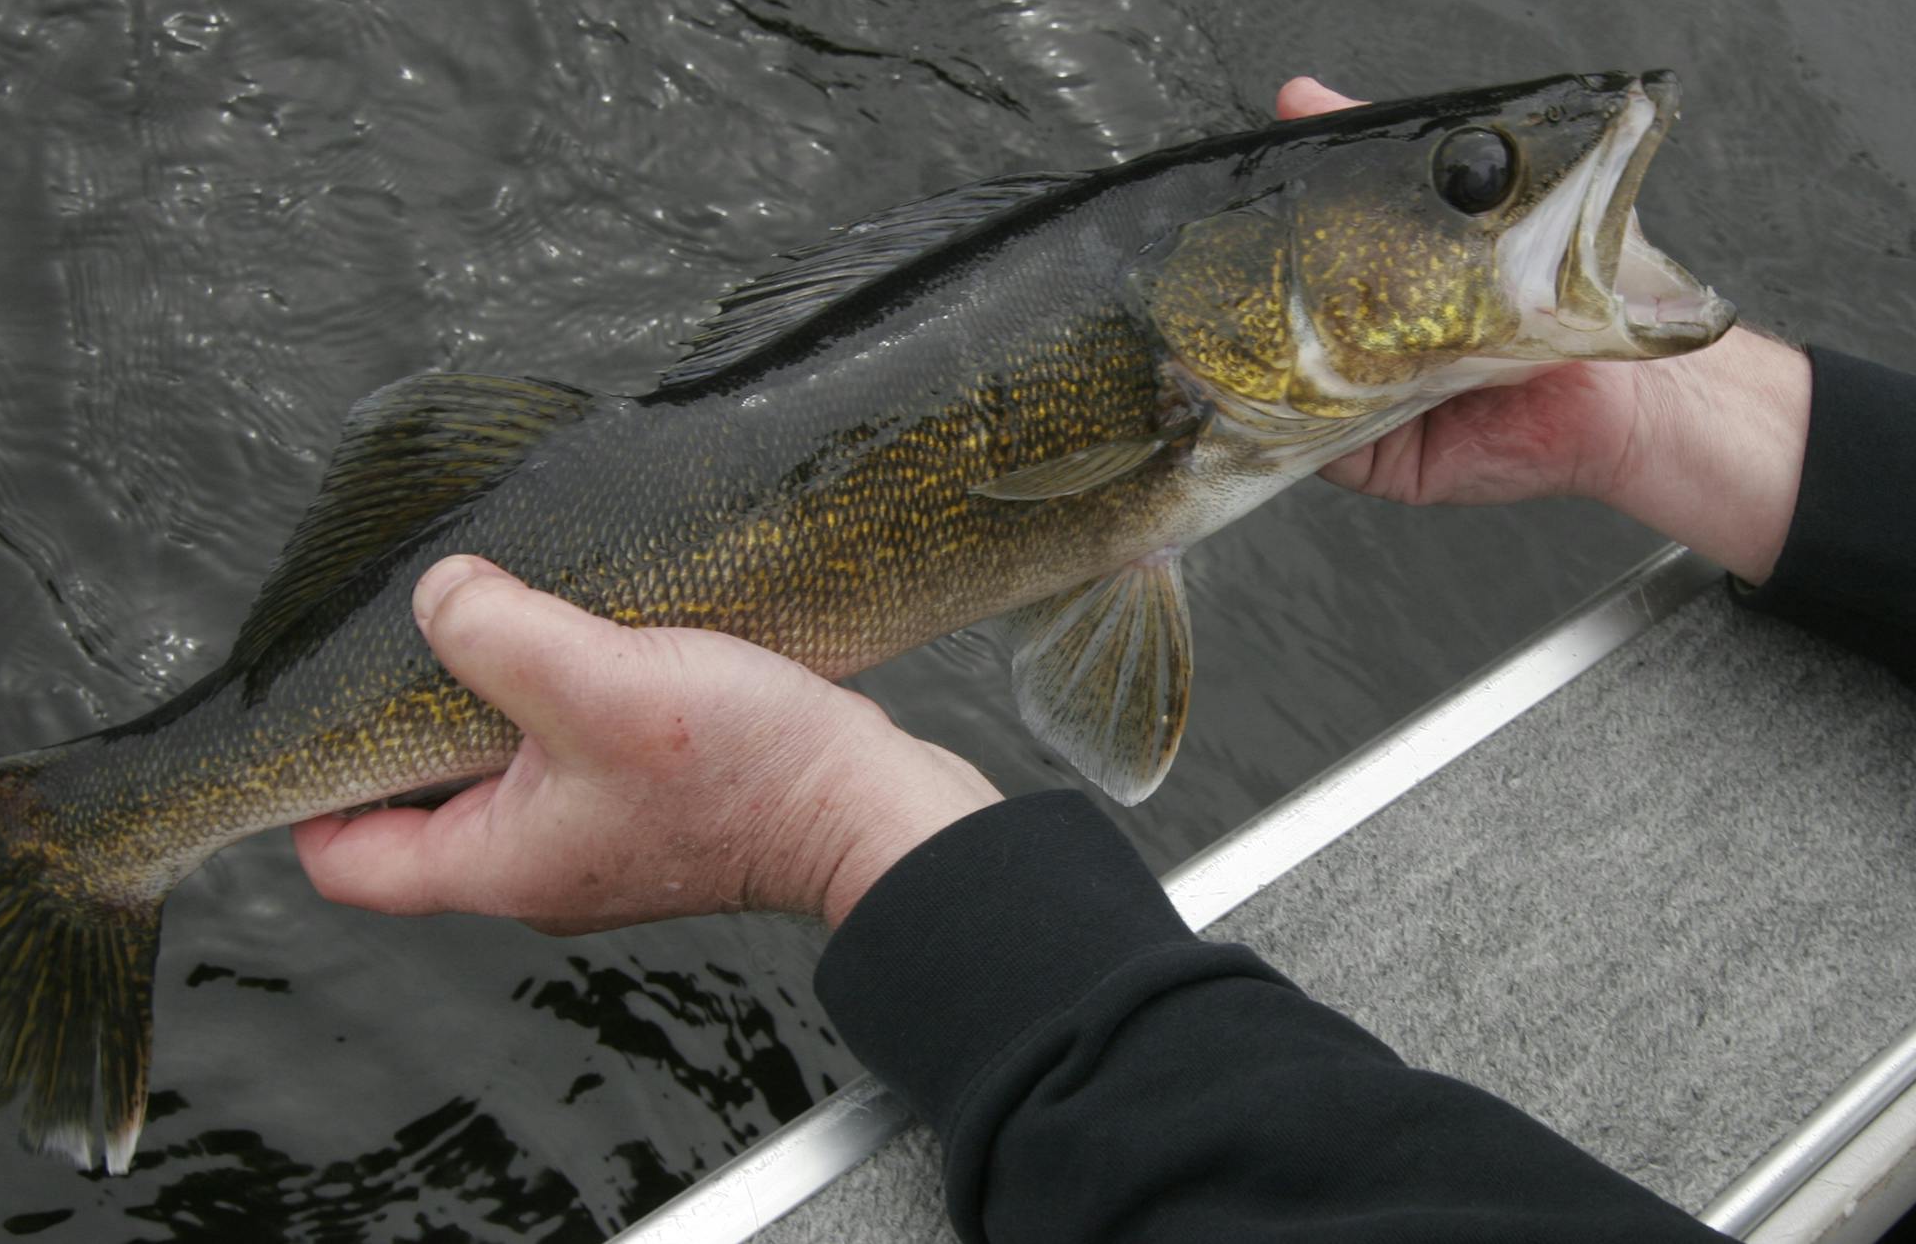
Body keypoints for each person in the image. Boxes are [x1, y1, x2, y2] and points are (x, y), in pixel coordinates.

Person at [290, 79, 1916, 1242]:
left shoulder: (1185, 392)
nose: (1507, 189)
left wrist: (841, 827)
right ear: (1236, 284)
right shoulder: (1175, 389)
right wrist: (1737, 428)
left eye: (1473, 182)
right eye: (1477, 179)